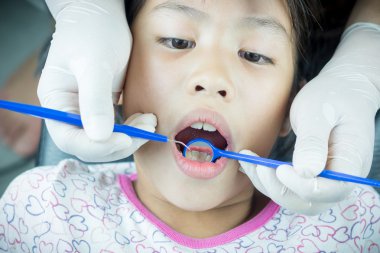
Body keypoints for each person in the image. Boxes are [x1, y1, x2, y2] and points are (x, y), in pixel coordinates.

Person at [1, 1, 379, 251]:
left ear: (294, 108)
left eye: (253, 54)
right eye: (178, 40)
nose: (211, 77)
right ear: (117, 74)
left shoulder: (353, 224)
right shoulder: (49, 208)